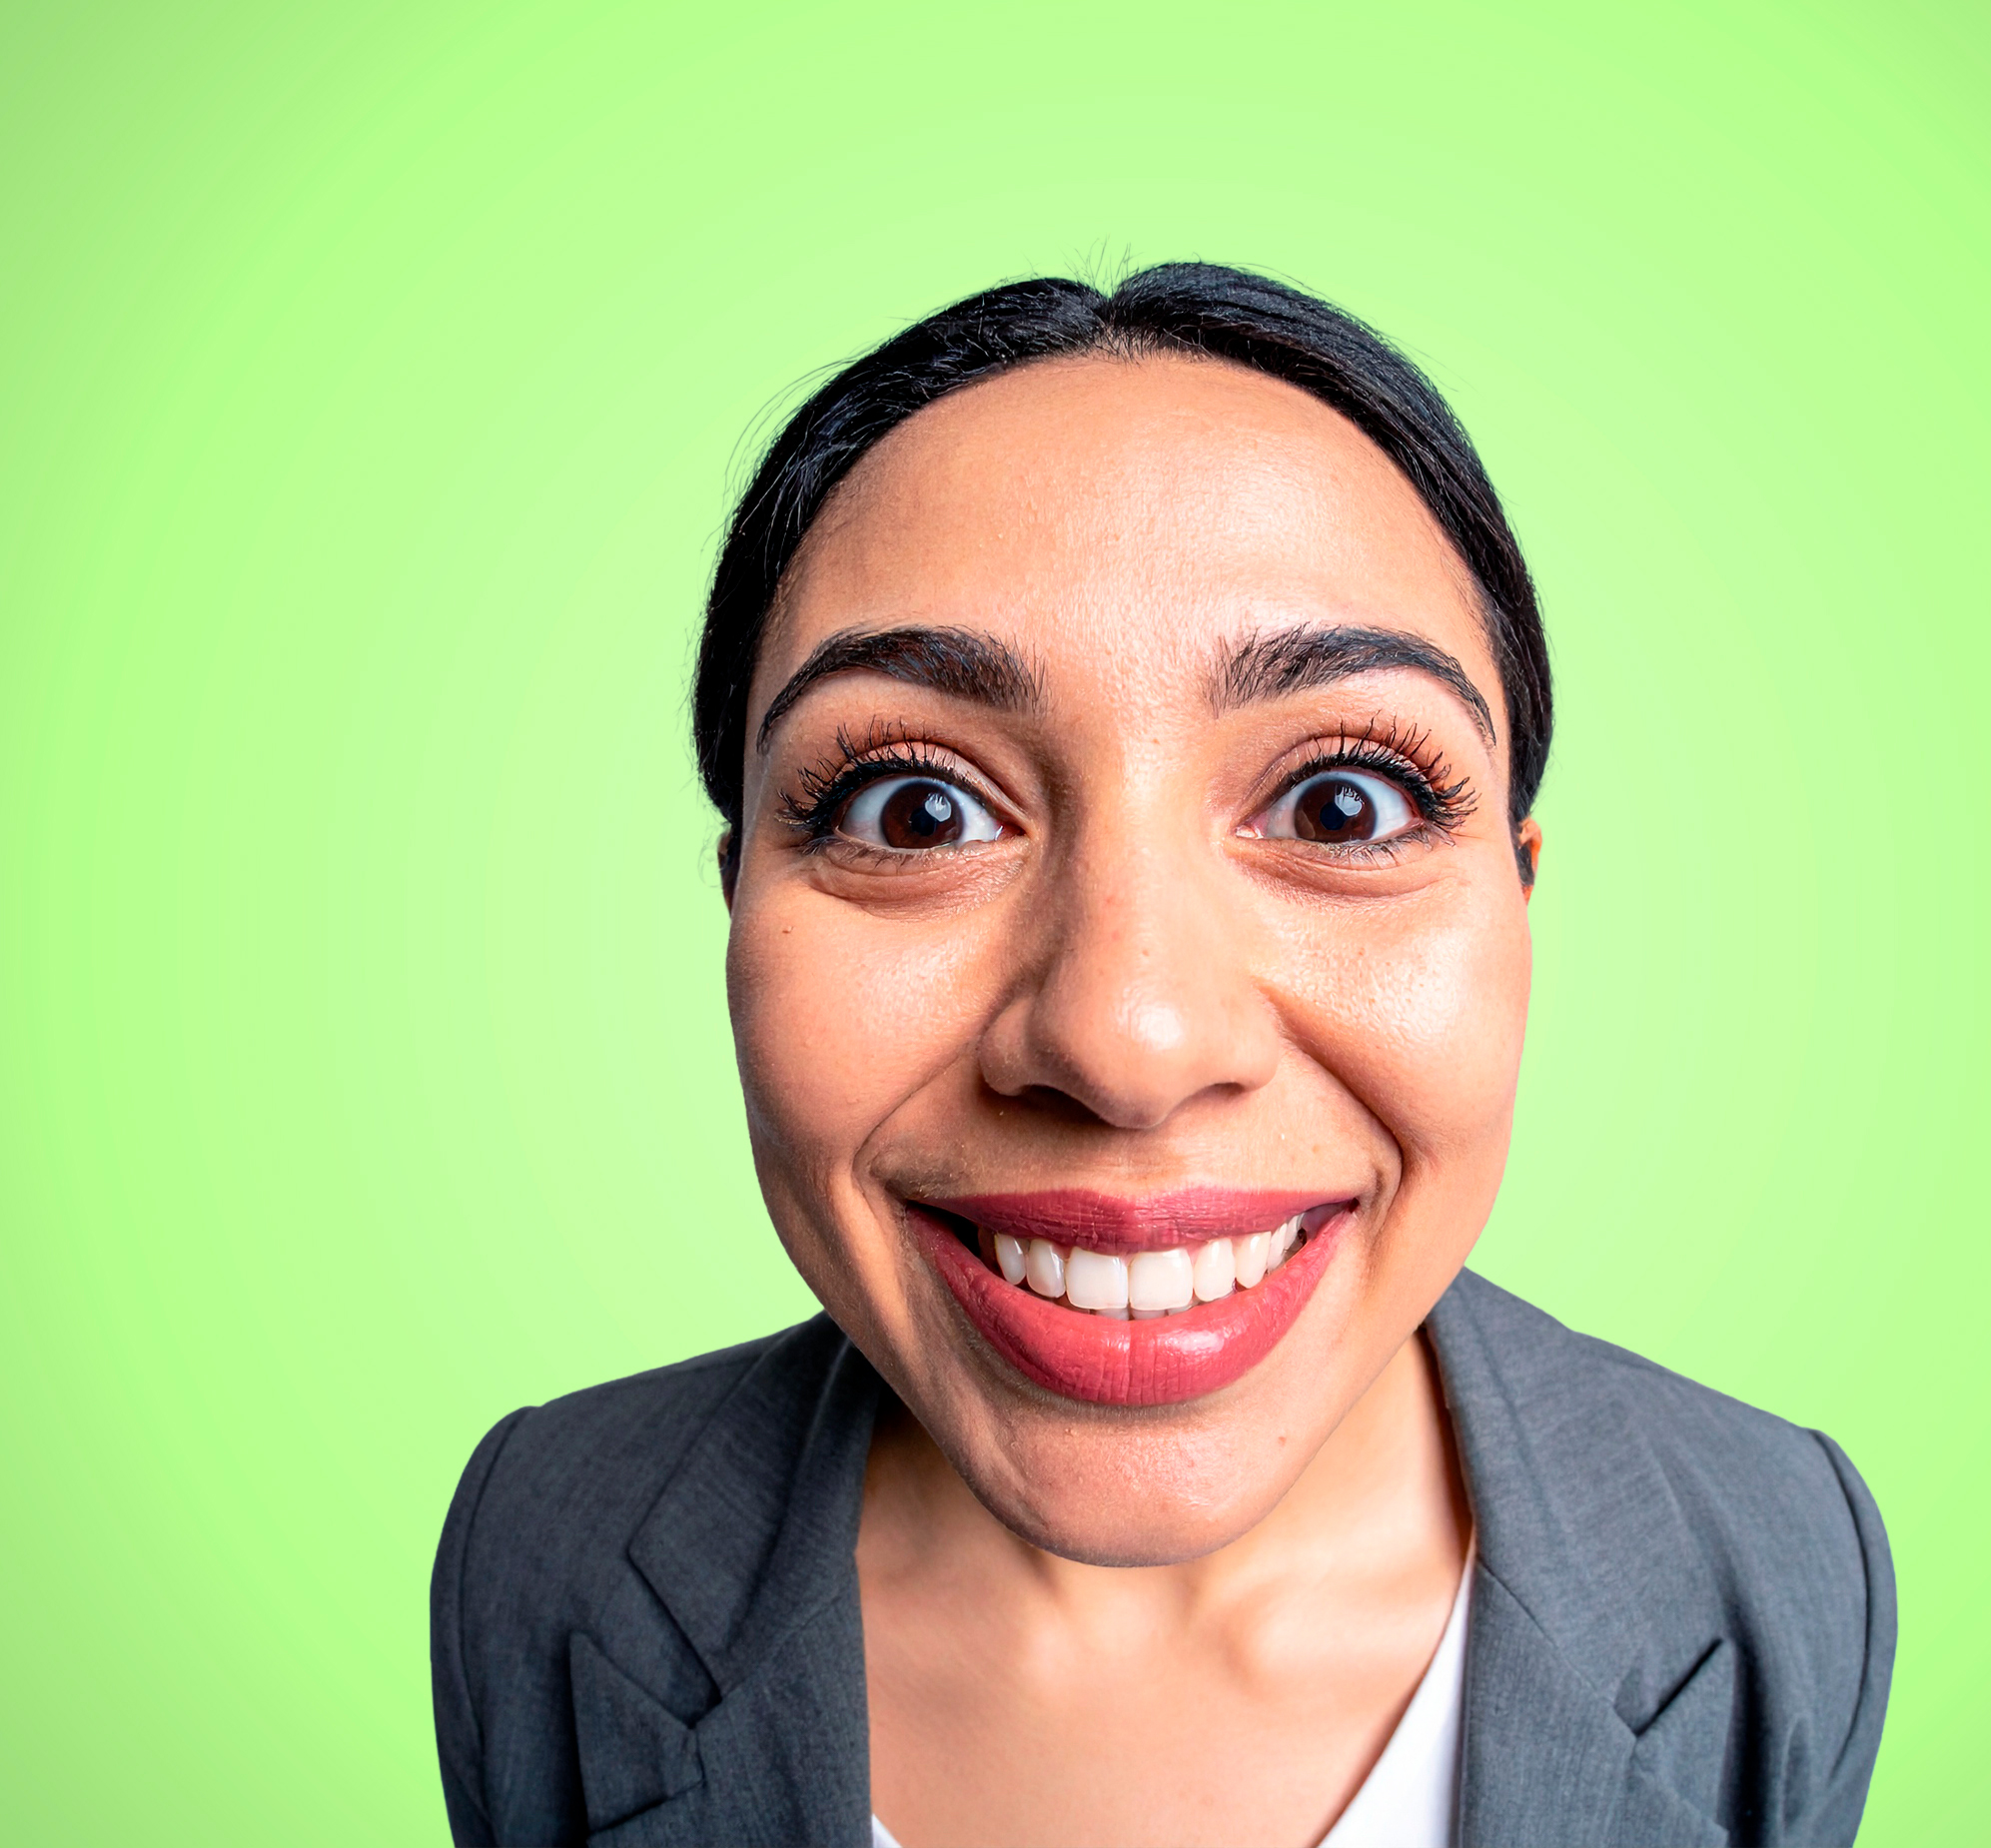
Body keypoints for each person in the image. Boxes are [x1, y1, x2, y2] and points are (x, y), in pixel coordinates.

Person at [429, 264, 1894, 1848]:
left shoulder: (1779, 1560)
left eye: (1343, 803)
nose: (1127, 1041)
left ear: (1518, 899)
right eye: (914, 811)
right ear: (738, 905)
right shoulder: (537, 1551)